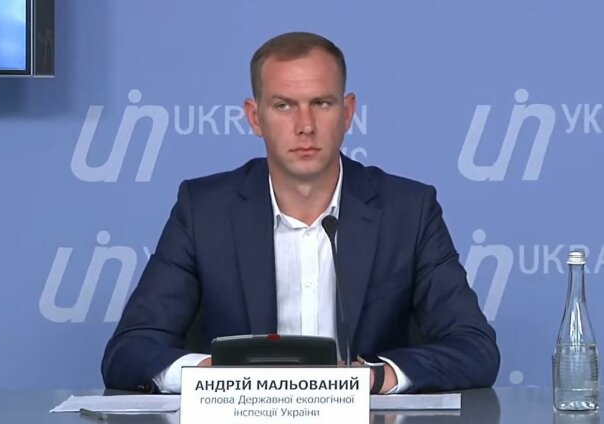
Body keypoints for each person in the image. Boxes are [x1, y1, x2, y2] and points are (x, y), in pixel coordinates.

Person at [101, 31, 500, 395]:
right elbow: (130, 350)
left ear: (347, 112)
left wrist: (376, 377)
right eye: (284, 106)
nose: (305, 125)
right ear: (255, 117)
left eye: (321, 103)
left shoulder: (408, 210)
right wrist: (214, 374)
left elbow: (474, 348)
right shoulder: (204, 211)